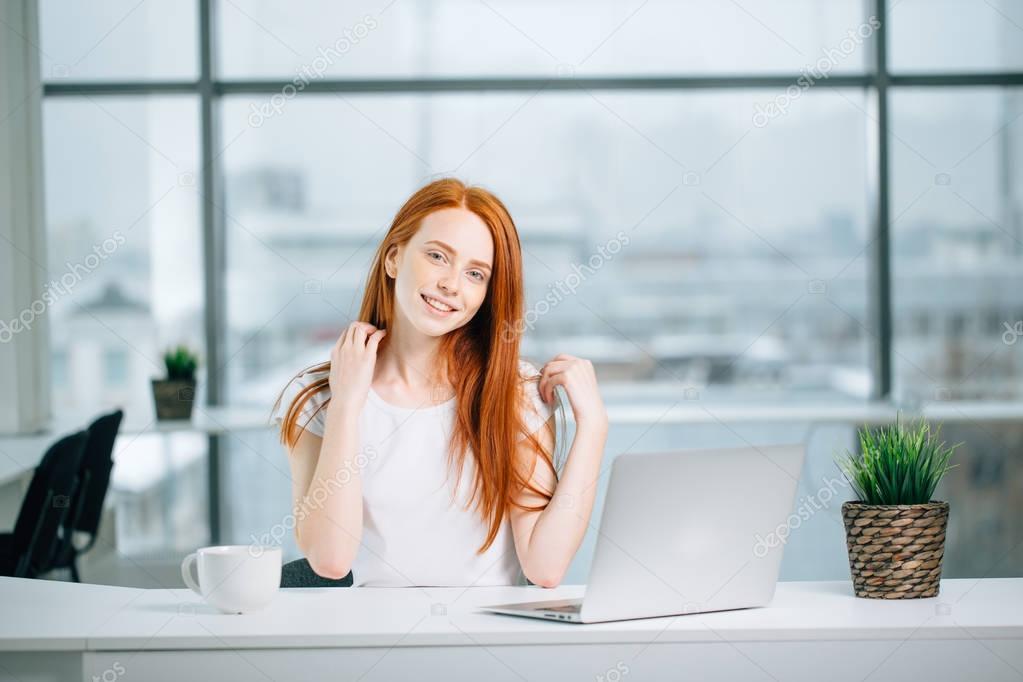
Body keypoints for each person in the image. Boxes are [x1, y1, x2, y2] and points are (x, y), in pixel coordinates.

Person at [271, 177, 608, 587]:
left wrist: (593, 427)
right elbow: (330, 560)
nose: (452, 284)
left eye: (475, 274)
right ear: (394, 258)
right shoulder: (317, 398)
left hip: (489, 639)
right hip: (371, 641)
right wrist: (346, 404)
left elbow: (546, 567)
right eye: (437, 256)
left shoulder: (514, 393)